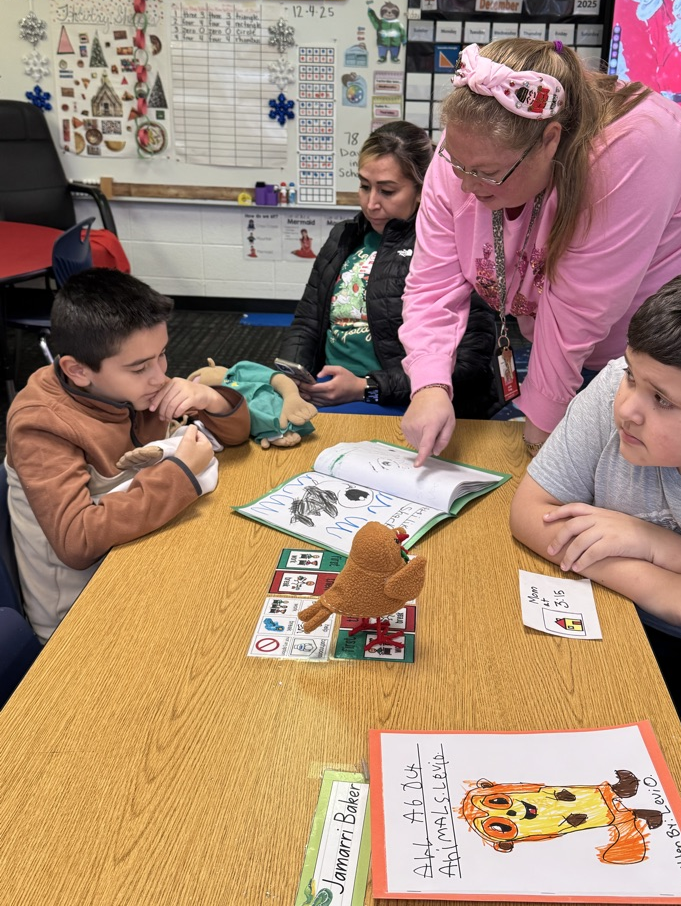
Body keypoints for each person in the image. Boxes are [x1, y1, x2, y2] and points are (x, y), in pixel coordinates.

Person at [399, 37, 681, 465]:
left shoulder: (635, 144)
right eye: (456, 163)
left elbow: (573, 316)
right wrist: (430, 385)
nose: (466, 185)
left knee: (670, 462)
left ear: (550, 140)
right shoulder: (470, 150)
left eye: (486, 173)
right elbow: (432, 282)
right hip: (570, 332)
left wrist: (537, 444)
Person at [509, 266, 681, 725]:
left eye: (663, 401)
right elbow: (529, 511)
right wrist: (658, 581)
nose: (627, 409)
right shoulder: (616, 387)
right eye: (631, 376)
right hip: (616, 618)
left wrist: (652, 543)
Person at [5, 268, 251, 643]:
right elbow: (76, 540)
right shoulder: (41, 425)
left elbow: (235, 437)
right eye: (140, 367)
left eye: (162, 355)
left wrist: (210, 399)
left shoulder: (129, 386)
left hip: (143, 557)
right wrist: (180, 472)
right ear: (77, 370)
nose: (160, 376)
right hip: (78, 618)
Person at [278, 120, 497, 416]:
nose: (371, 204)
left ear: (421, 190)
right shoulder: (344, 236)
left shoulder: (449, 247)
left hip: (400, 400)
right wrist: (293, 378)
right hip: (328, 391)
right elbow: (307, 323)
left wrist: (366, 387)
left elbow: (469, 362)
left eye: (387, 191)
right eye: (364, 186)